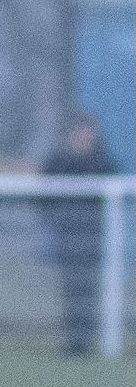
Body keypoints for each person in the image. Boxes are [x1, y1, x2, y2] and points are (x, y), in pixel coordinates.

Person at [39, 110, 119, 356]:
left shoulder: (102, 161)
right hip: (67, 237)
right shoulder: (58, 161)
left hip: (93, 236)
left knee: (89, 288)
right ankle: (74, 340)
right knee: (71, 289)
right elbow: (42, 195)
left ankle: (88, 339)